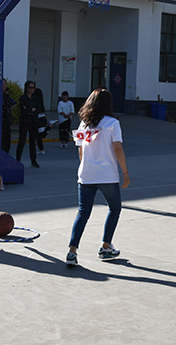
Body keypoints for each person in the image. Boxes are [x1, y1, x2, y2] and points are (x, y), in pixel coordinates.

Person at [65, 88, 130, 267]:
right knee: (114, 208)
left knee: (83, 213)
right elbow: (118, 149)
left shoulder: (83, 124)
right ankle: (105, 247)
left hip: (86, 175)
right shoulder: (113, 123)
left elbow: (80, 152)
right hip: (107, 175)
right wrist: (125, 173)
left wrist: (87, 168)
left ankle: (72, 252)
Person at [16, 81, 41, 167]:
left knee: (32, 141)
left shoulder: (35, 98)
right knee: (22, 140)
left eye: (33, 88)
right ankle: (18, 159)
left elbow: (38, 108)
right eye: (30, 87)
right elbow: (23, 109)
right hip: (24, 121)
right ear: (26, 88)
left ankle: (33, 160)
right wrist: (31, 110)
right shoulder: (23, 98)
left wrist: (31, 110)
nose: (31, 89)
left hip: (33, 121)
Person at [2, 81, 16, 153]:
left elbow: (14, 103)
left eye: (5, 84)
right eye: (2, 84)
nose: (4, 85)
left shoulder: (7, 97)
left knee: (6, 139)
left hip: (6, 121)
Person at [33, 86, 48, 154]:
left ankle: (40, 149)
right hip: (42, 118)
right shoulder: (41, 102)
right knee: (39, 135)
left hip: (38, 119)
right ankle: (41, 149)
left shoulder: (35, 102)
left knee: (38, 135)